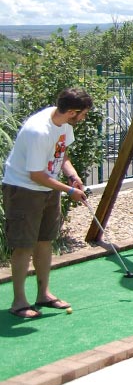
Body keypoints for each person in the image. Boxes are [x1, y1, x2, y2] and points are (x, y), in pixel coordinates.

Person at [2, 88, 93, 318]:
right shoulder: (38, 131)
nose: (83, 118)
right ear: (72, 112)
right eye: (82, 114)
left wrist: (72, 175)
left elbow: (62, 154)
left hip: (48, 187)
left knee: (45, 241)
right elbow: (36, 175)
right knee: (24, 245)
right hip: (24, 189)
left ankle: (43, 294)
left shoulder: (63, 124)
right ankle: (19, 302)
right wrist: (70, 190)